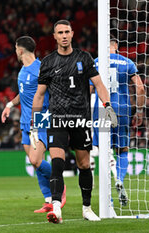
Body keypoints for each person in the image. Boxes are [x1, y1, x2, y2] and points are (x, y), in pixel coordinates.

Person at [31, 20, 117, 223]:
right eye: (59, 32)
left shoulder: (84, 57)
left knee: (84, 164)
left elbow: (99, 84)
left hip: (80, 119)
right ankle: (55, 207)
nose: (63, 35)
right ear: (54, 36)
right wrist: (35, 124)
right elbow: (39, 95)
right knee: (57, 163)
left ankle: (86, 208)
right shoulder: (48, 62)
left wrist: (107, 105)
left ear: (72, 33)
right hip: (58, 120)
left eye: (66, 32)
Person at [1, 36, 66, 213]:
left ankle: (59, 181)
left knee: (35, 159)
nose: (15, 51)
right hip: (25, 121)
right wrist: (9, 105)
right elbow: (22, 95)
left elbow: (55, 93)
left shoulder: (40, 69)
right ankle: (48, 200)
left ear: (20, 50)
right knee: (36, 164)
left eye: (16, 48)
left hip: (41, 118)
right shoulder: (22, 70)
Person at [91, 35, 145, 206]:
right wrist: (140, 110)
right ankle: (119, 179)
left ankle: (109, 198)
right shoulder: (127, 62)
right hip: (122, 108)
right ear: (116, 46)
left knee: (103, 150)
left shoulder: (96, 62)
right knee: (122, 149)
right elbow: (140, 87)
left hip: (101, 108)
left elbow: (89, 88)